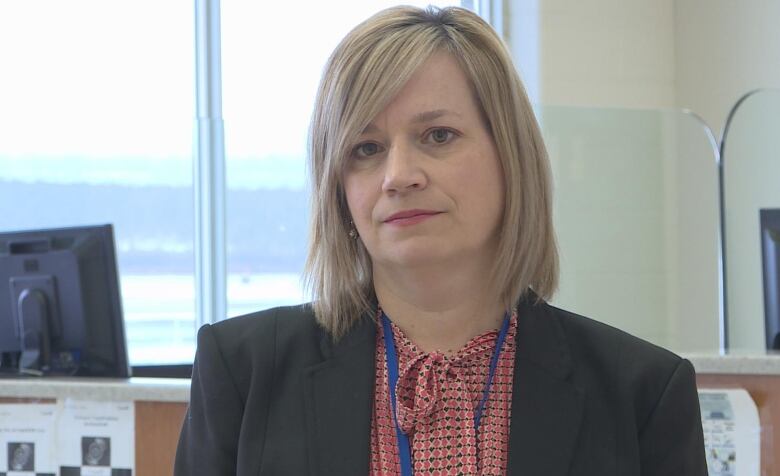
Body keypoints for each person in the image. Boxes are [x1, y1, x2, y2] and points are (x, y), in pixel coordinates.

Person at [174, 5, 708, 475]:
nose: (398, 175)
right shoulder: (242, 372)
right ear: (337, 188)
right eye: (366, 148)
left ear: (511, 156)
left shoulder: (642, 392)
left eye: (438, 136)